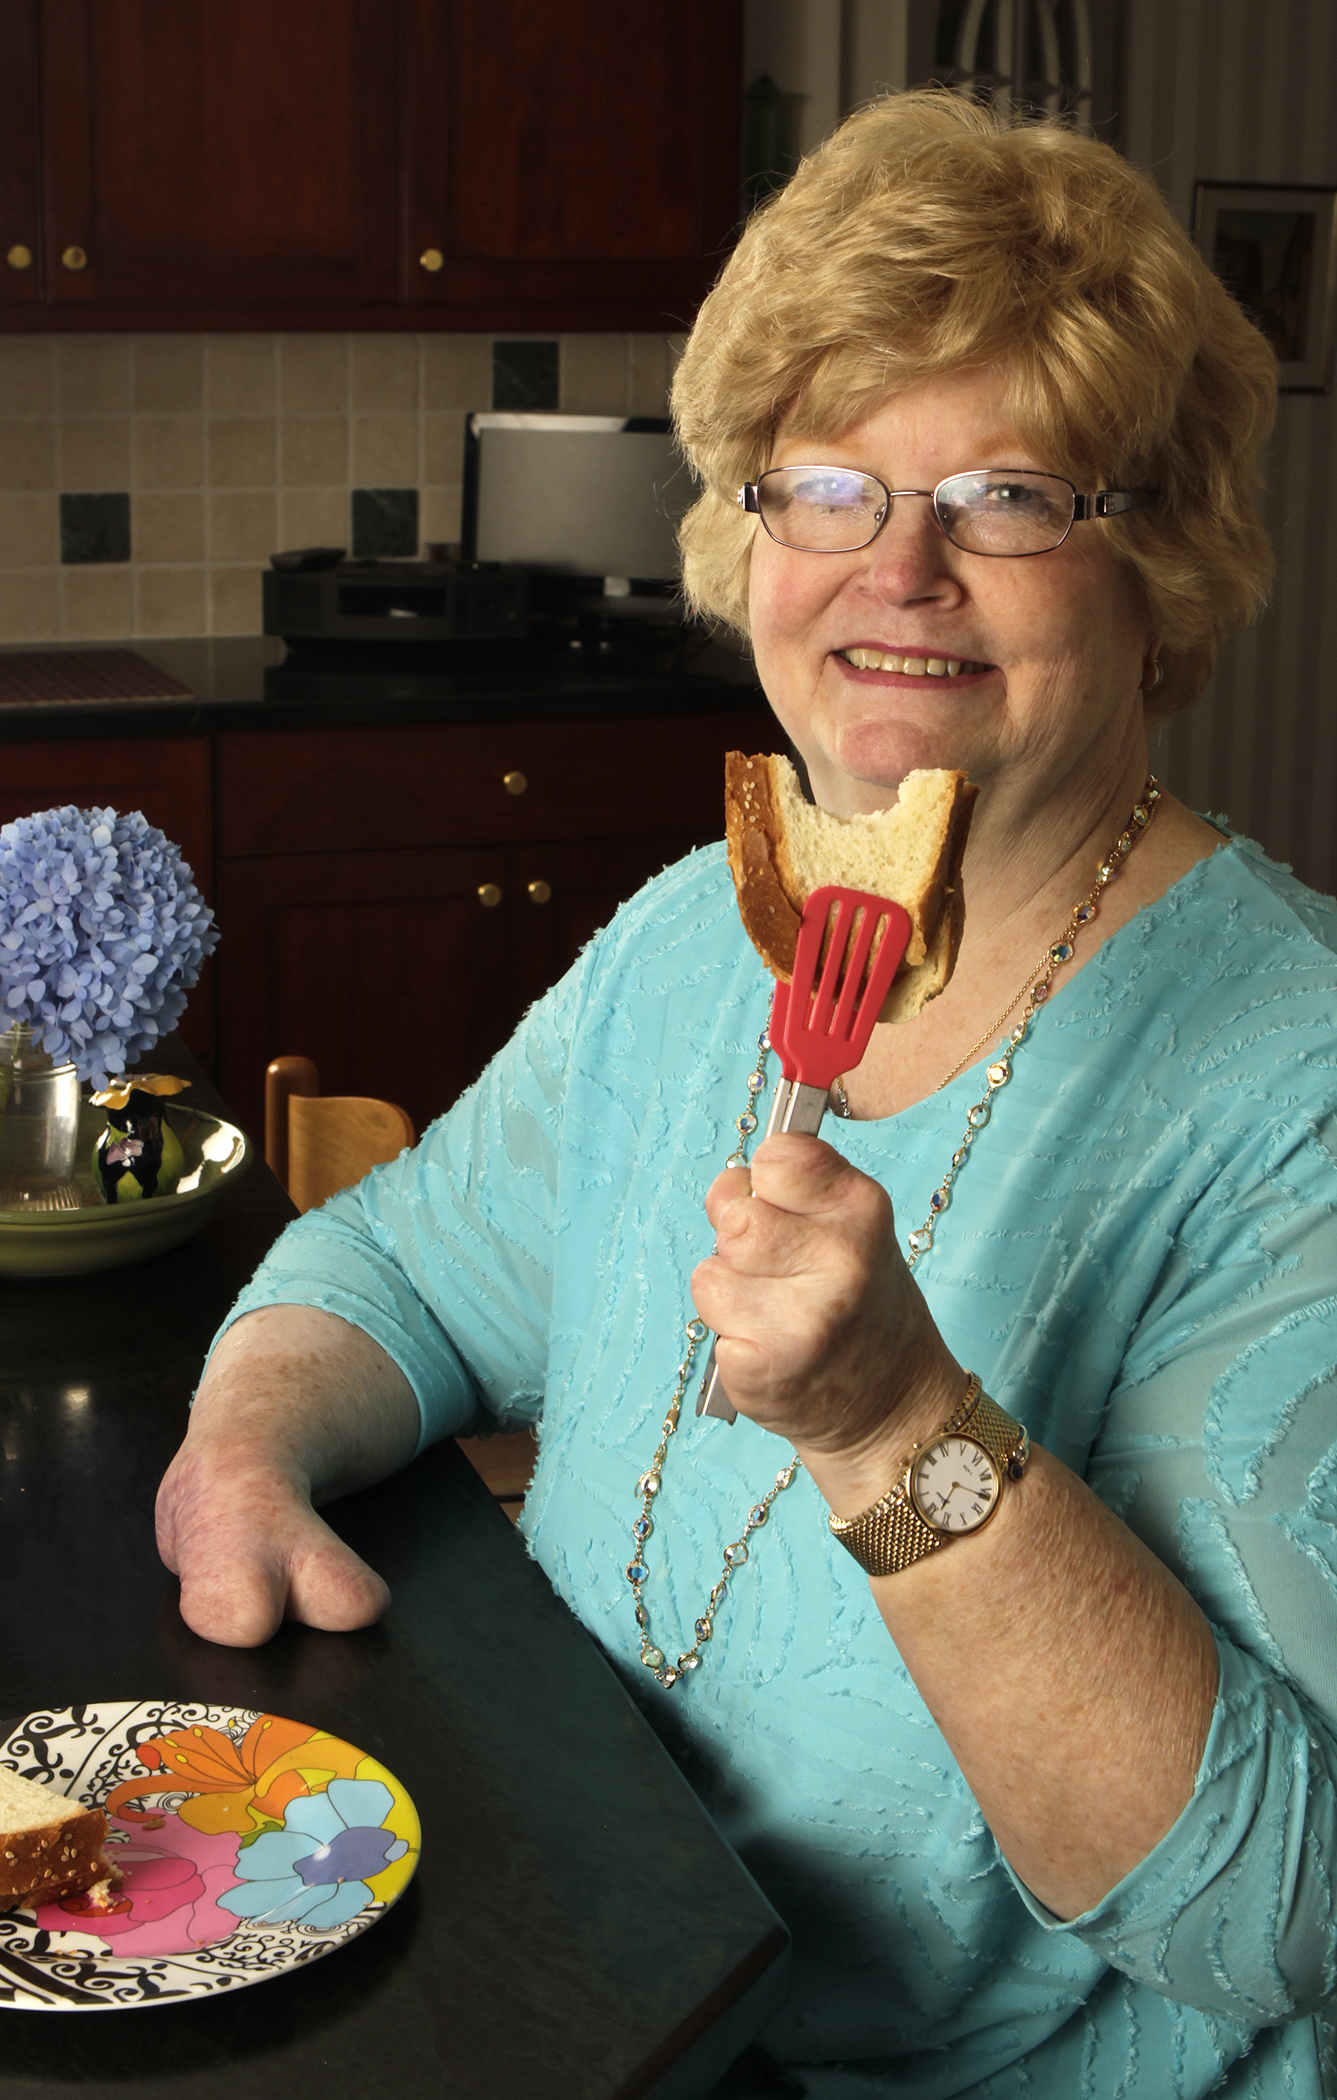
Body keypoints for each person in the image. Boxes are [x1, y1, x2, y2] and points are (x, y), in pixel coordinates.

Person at [157, 91, 1337, 2097]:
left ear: (1164, 574)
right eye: (828, 488)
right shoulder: (701, 929)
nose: (903, 572)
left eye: (1011, 494)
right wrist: (247, 1450)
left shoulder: (1292, 1080)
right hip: (577, 1981)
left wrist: (896, 1428)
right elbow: (408, 1262)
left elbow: (1271, 1915)